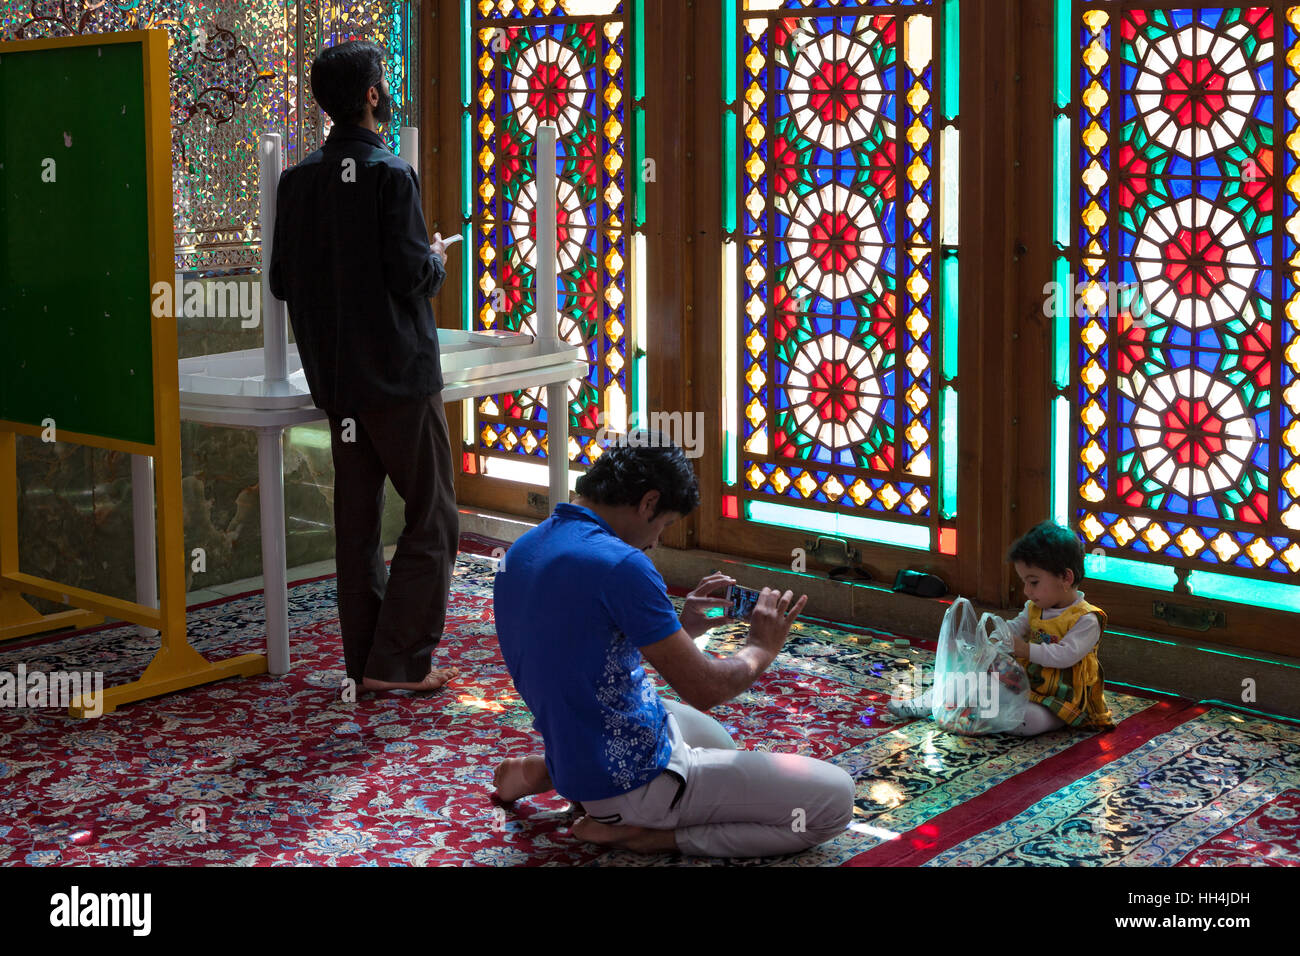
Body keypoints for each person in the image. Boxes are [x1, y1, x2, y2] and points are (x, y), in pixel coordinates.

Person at [490, 434, 855, 858]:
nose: (655, 541)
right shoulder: (623, 565)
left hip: (580, 744)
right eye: (662, 525)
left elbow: (585, 654)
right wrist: (760, 646)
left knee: (720, 745)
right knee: (834, 801)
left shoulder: (525, 547)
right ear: (648, 503)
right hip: (634, 783)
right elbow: (705, 689)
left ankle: (548, 773)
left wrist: (684, 627)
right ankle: (648, 834)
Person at [269, 40, 460, 693]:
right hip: (400, 382)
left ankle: (367, 662)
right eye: (385, 82)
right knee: (432, 514)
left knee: (356, 522)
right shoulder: (389, 174)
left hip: (338, 385)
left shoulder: (297, 183)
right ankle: (398, 661)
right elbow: (413, 277)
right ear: (374, 96)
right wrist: (435, 256)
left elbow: (280, 282)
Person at [890, 520, 1114, 735]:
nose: (1027, 590)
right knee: (969, 678)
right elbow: (1014, 627)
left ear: (1066, 577)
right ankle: (926, 703)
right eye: (1024, 582)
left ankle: (984, 713)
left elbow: (1065, 655)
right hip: (1025, 684)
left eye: (1033, 582)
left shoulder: (1087, 619)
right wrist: (996, 640)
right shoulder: (1034, 607)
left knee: (1029, 720)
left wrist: (1025, 650)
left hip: (1060, 700)